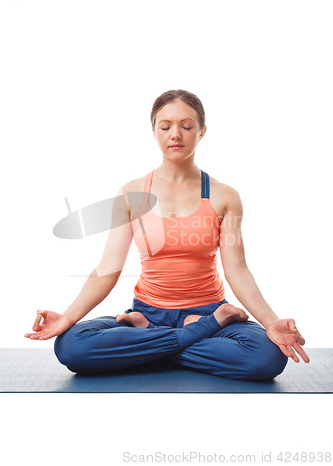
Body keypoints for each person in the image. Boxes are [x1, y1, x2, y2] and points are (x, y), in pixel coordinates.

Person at [25, 89, 310, 380]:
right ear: (154, 131)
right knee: (71, 347)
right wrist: (69, 316)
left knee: (267, 356)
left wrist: (271, 321)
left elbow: (237, 268)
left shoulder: (225, 196)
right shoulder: (131, 193)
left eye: (187, 126)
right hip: (150, 311)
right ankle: (184, 330)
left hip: (209, 308)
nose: (176, 134)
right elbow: (109, 266)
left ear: (202, 132)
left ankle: (149, 340)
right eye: (165, 126)